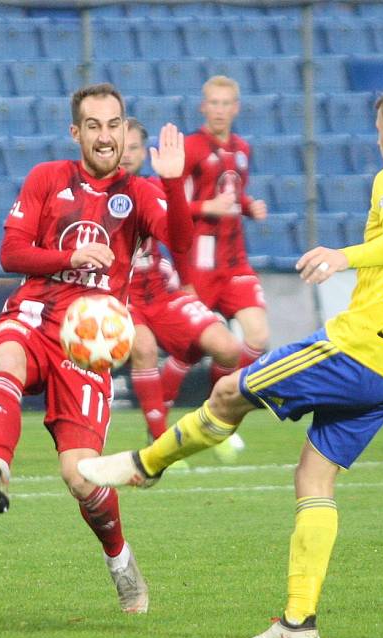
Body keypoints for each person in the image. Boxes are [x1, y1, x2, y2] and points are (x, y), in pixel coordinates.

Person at [78, 82, 383, 638]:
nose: (379, 146)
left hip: (357, 348)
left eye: (378, 136)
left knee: (228, 394)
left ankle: (144, 465)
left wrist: (342, 256)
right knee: (315, 476)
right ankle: (300, 621)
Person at [0, 83, 192, 615]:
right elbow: (10, 252)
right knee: (8, 357)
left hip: (89, 339)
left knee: (80, 475)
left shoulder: (139, 193)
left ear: (123, 129)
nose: (104, 136)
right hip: (36, 311)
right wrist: (68, 254)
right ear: (77, 132)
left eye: (113, 125)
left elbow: (182, 245)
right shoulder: (47, 178)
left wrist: (175, 183)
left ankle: (120, 560)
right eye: (93, 126)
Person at [120, 117, 244, 461]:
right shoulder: (98, 191)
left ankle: (213, 420)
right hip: (120, 293)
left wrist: (187, 281)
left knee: (228, 348)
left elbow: (178, 233)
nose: (127, 154)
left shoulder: (152, 187)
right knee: (142, 346)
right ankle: (159, 440)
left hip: (160, 289)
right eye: (122, 146)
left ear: (145, 153)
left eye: (134, 147)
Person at [160, 76, 269, 415]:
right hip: (199, 263)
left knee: (257, 337)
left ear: (236, 108)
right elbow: (167, 201)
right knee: (188, 351)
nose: (220, 110)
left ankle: (219, 404)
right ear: (203, 106)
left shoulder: (242, 149)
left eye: (226, 104)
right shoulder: (192, 147)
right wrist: (206, 208)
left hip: (235, 261)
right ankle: (157, 413)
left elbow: (231, 194)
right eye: (214, 103)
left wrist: (249, 206)